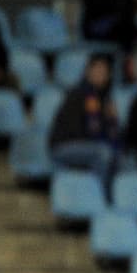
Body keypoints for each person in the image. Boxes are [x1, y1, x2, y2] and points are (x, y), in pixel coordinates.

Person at [47, 53, 122, 183]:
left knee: (121, 157)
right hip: (64, 145)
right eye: (97, 70)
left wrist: (112, 119)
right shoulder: (76, 94)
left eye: (104, 72)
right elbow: (75, 130)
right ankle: (99, 193)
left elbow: (112, 133)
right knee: (103, 152)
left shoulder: (105, 99)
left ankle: (118, 193)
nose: (100, 74)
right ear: (88, 71)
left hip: (90, 146)